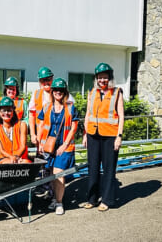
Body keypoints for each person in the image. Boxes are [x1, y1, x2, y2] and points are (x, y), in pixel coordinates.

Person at [82, 63, 124, 212]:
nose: (102, 81)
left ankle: (107, 200)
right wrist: (85, 134)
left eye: (105, 78)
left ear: (110, 78)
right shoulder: (92, 92)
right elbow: (88, 114)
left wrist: (119, 136)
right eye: (100, 78)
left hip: (110, 136)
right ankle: (92, 199)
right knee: (92, 168)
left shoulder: (117, 92)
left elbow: (121, 116)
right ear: (96, 79)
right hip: (93, 135)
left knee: (108, 169)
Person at [37, 78, 78, 215]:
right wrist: (41, 142)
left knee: (58, 172)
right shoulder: (47, 107)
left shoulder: (70, 107)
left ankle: (60, 203)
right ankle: (55, 198)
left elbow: (73, 128)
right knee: (51, 174)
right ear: (52, 91)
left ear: (64, 92)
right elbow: (42, 125)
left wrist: (65, 145)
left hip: (64, 146)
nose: (58, 92)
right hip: (50, 146)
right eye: (56, 90)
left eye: (61, 90)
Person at [0, 97, 31, 164]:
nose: (6, 113)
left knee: (26, 163)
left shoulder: (22, 125)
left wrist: (15, 157)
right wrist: (11, 157)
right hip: (4, 158)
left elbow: (23, 146)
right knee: (8, 163)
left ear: (13, 111)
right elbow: (1, 150)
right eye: (3, 110)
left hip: (20, 157)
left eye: (9, 110)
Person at [28, 67, 54, 149]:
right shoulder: (36, 94)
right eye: (43, 80)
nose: (46, 82)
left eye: (48, 79)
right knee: (41, 156)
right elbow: (31, 116)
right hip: (41, 134)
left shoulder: (58, 93)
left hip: (55, 133)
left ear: (52, 79)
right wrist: (32, 134)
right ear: (39, 82)